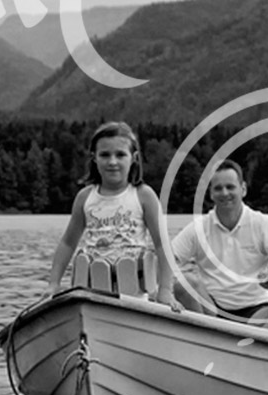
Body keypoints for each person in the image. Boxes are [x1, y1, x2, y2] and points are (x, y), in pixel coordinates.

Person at [45, 121, 179, 310]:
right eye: (105, 155)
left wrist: (165, 290)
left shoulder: (143, 196)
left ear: (133, 158)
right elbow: (68, 243)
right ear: (94, 158)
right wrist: (53, 284)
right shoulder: (85, 198)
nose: (112, 162)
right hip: (92, 296)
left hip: (135, 297)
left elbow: (162, 244)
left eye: (120, 155)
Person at [171, 160, 268, 330]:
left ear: (243, 189)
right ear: (210, 193)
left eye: (230, 187)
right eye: (218, 188)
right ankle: (212, 336)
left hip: (255, 310)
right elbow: (166, 261)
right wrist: (165, 294)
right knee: (184, 282)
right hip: (212, 310)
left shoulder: (262, 224)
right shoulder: (199, 227)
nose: (224, 193)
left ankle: (239, 347)